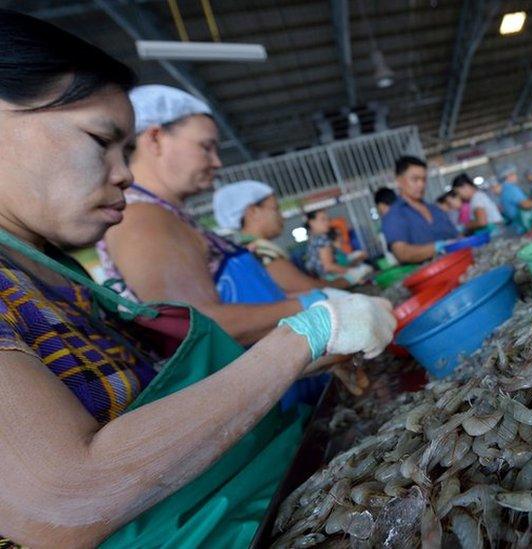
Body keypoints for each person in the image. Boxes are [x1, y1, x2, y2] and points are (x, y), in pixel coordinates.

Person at [0, 11, 396, 547]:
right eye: (99, 139)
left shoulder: (54, 276)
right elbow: (63, 499)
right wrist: (298, 339)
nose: (125, 173)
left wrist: (303, 357)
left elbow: (159, 392)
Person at [97, 85, 336, 346]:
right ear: (155, 138)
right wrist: (313, 306)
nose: (217, 162)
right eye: (206, 147)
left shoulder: (169, 215)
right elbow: (194, 328)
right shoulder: (141, 217)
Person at [212, 180, 364, 289]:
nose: (282, 216)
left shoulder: (246, 249)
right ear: (252, 212)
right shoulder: (260, 252)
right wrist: (348, 279)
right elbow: (307, 289)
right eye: (275, 209)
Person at [381, 156, 459, 263]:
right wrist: (436, 247)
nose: (421, 185)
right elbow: (402, 253)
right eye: (415, 179)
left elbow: (455, 236)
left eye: (424, 179)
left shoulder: (436, 210)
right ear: (399, 181)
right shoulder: (394, 216)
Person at [303, 208, 372, 284]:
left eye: (327, 219)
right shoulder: (322, 239)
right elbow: (328, 266)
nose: (327, 222)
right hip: (331, 279)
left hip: (322, 280)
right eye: (323, 219)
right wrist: (351, 271)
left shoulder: (312, 239)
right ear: (312, 222)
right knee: (367, 269)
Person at [490, 167, 532, 234]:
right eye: (514, 174)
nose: (516, 176)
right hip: (524, 226)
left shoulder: (503, 191)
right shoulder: (510, 189)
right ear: (509, 176)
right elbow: (524, 204)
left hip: (516, 227)